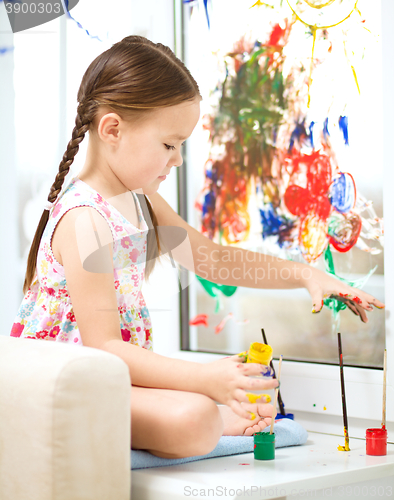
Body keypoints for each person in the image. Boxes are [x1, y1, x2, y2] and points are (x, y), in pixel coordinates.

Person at [10, 36, 384, 459]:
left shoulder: (139, 199)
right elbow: (105, 349)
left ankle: (212, 416)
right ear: (112, 129)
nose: (178, 160)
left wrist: (305, 274)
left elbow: (211, 259)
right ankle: (209, 418)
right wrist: (206, 378)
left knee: (222, 410)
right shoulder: (84, 219)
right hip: (68, 388)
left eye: (181, 146)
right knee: (196, 418)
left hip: (110, 381)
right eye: (169, 145)